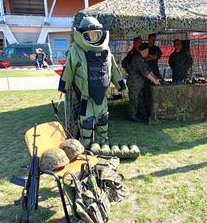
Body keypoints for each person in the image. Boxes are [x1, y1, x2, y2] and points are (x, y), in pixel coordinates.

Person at [58, 16, 126, 148]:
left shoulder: (106, 50)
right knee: (86, 121)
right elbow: (69, 69)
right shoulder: (76, 50)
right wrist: (63, 86)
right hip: (85, 96)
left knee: (103, 119)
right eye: (89, 35)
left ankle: (103, 142)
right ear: (81, 35)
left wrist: (120, 84)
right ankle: (87, 144)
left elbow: (113, 67)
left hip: (102, 94)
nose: (93, 38)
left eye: (96, 35)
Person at [127, 43, 160, 122]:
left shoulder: (143, 59)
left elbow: (149, 70)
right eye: (147, 51)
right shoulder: (138, 59)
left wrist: (155, 78)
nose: (148, 53)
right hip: (134, 84)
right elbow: (145, 72)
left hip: (139, 84)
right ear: (143, 51)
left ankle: (142, 115)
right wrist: (154, 81)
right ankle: (132, 116)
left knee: (141, 100)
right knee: (134, 100)